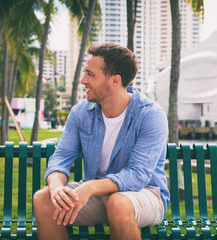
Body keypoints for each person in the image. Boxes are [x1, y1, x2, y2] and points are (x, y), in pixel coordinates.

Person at [33, 43, 169, 239]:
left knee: (118, 203)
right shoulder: (81, 112)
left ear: (114, 81)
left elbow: (137, 175)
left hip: (145, 193)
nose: (83, 81)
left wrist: (89, 187)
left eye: (90, 74)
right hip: (95, 194)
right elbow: (61, 156)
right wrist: (56, 187)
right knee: (43, 199)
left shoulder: (150, 115)